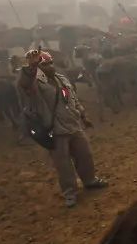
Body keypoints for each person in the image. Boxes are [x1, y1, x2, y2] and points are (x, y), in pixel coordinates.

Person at [19, 49, 107, 208]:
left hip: (73, 125)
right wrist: (31, 68)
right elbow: (24, 84)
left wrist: (83, 116)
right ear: (37, 68)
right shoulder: (36, 84)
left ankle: (89, 180)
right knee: (63, 163)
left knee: (85, 154)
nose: (50, 66)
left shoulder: (61, 79)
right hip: (55, 130)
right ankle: (70, 192)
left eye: (51, 63)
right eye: (45, 64)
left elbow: (73, 99)